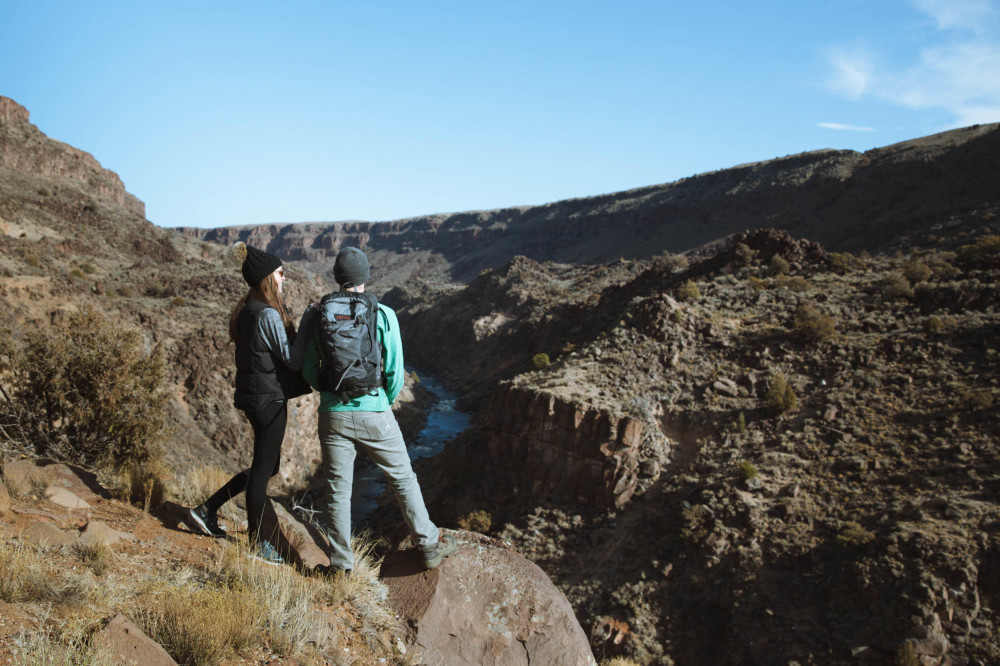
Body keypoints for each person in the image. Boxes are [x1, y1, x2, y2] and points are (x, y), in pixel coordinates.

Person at [302, 246, 456, 574]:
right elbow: (395, 373)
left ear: (337, 277)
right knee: (402, 477)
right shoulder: (383, 313)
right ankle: (428, 544)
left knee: (338, 488)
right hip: (376, 411)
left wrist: (329, 392)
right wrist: (380, 401)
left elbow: (308, 369)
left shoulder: (320, 315)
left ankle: (341, 566)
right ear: (365, 277)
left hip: (333, 413)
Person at [185, 242, 317, 566]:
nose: (284, 278)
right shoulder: (269, 314)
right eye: (281, 273)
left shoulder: (246, 310)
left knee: (266, 466)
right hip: (268, 400)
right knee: (262, 472)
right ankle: (257, 544)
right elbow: (292, 360)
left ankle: (206, 510)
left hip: (252, 397)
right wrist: (310, 321)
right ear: (267, 277)